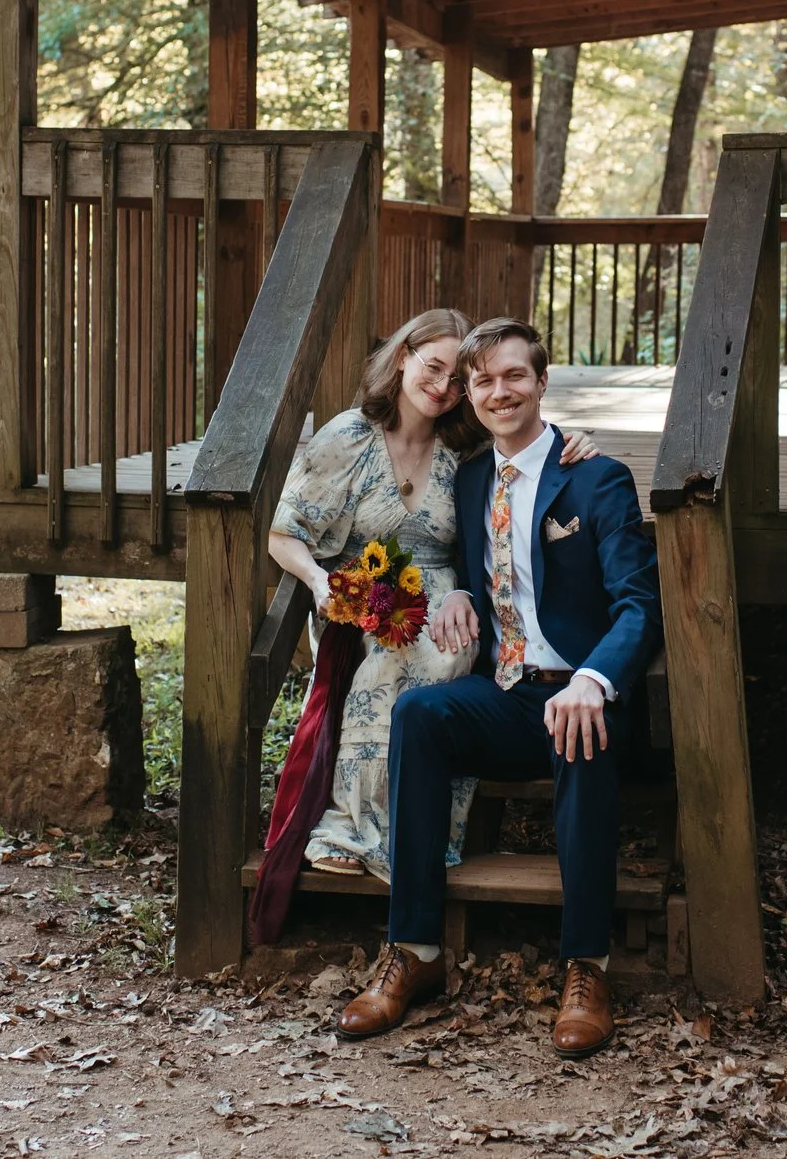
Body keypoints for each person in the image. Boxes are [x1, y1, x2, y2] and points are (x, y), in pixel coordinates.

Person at [334, 317, 661, 1060]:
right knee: (421, 714)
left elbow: (640, 604)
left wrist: (594, 679)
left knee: (581, 727)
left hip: (578, 691)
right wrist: (462, 598)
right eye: (483, 379)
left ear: (543, 382)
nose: (498, 389)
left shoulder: (595, 476)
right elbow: (458, 558)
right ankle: (413, 947)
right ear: (470, 395)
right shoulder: (475, 474)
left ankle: (587, 966)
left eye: (514, 375)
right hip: (508, 693)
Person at [254, 311, 602, 943]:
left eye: (454, 375)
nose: (441, 386)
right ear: (403, 356)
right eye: (431, 366)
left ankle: (425, 834)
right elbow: (285, 533)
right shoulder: (349, 437)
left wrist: (574, 444)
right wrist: (319, 580)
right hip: (364, 586)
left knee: (450, 657)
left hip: (448, 589)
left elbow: (522, 450)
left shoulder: (462, 445)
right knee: (392, 654)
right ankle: (350, 828)